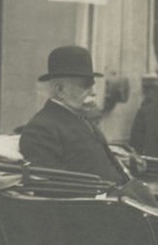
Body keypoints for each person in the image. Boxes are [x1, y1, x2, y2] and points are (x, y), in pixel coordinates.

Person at [18, 45, 124, 182]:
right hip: (98, 201)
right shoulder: (41, 130)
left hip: (121, 198)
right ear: (60, 90)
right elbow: (55, 188)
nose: (94, 92)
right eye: (86, 86)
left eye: (93, 85)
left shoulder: (82, 120)